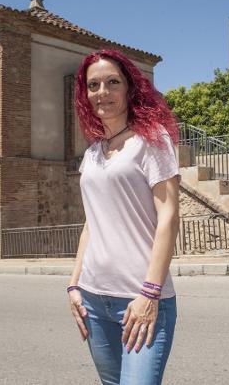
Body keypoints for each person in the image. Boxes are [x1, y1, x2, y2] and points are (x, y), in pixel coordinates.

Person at [67, 49, 181, 385]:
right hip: (92, 299)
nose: (102, 92)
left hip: (140, 299)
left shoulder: (152, 140)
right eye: (94, 85)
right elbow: (93, 223)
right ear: (85, 95)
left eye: (112, 82)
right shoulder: (92, 154)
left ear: (129, 88)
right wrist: (73, 283)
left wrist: (149, 293)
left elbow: (169, 216)